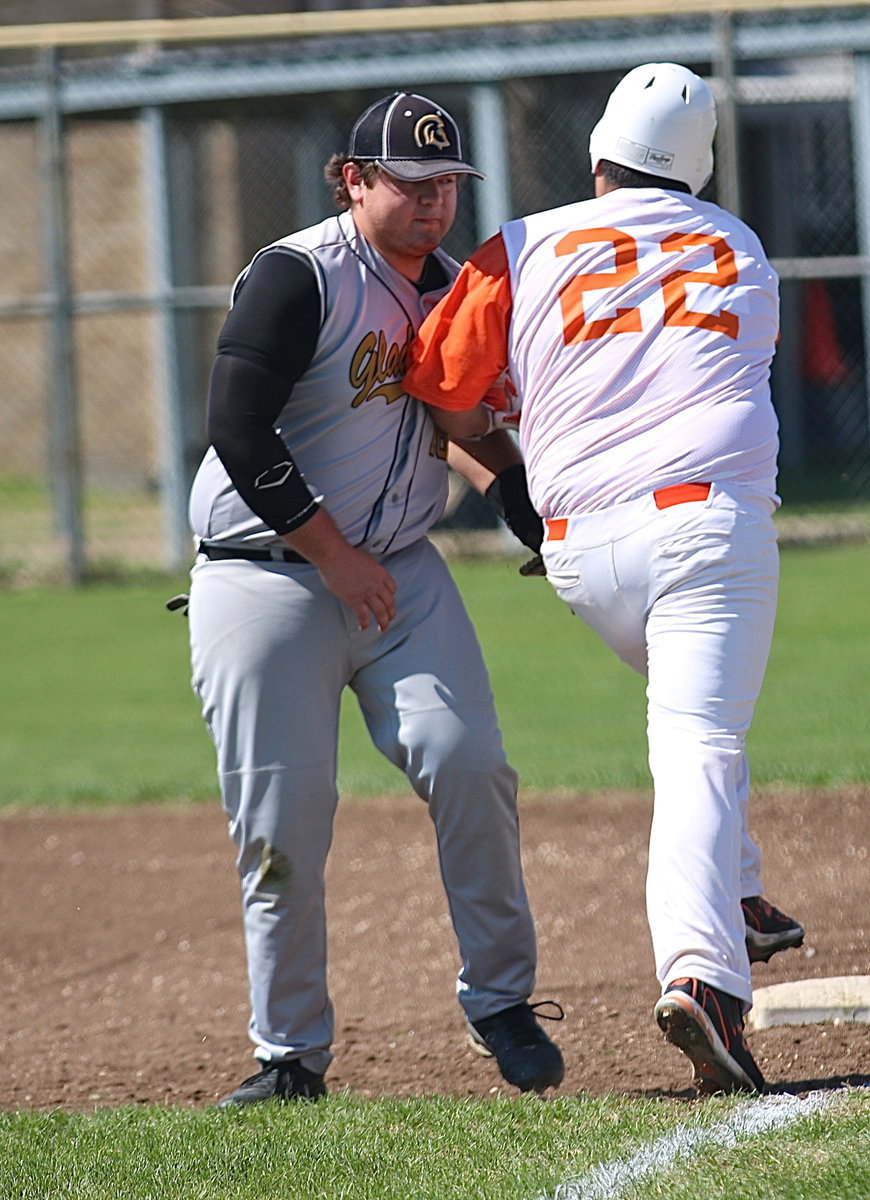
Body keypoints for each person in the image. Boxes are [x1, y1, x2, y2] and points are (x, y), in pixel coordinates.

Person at [404, 63, 801, 1095]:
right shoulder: (739, 244)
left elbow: (443, 391)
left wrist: (508, 426)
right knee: (696, 742)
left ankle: (738, 893)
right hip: (705, 530)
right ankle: (702, 976)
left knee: (691, 722)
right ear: (700, 171)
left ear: (595, 164)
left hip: (578, 549)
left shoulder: (518, 246)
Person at [185, 91, 563, 1108]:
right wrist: (333, 555)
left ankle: (501, 1002)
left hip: (398, 570)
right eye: (409, 182)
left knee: (470, 760)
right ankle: (291, 1057)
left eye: (446, 184)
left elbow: (461, 426)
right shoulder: (297, 276)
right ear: (353, 180)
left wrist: (542, 525)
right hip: (264, 576)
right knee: (283, 823)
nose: (433, 203)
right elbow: (236, 425)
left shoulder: (448, 283)